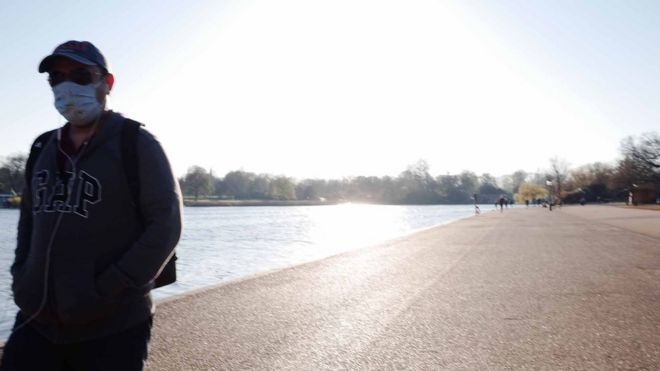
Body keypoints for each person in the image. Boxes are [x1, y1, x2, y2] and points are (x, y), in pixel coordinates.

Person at [0, 41, 182, 371]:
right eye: (57, 77)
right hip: (37, 319)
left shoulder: (136, 144)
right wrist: (21, 277)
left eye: (82, 75)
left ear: (107, 83)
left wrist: (110, 288)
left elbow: (166, 225)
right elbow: (28, 221)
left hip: (113, 325)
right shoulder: (42, 147)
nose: (67, 86)